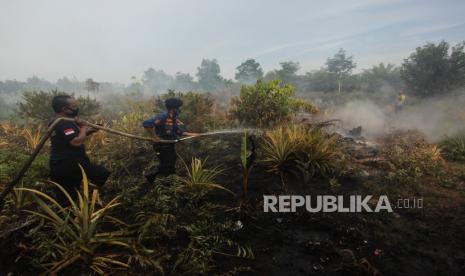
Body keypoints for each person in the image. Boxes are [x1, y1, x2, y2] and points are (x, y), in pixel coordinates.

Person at [49, 95, 110, 202]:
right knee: (101, 174)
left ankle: (83, 198)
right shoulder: (62, 123)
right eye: (74, 106)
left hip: (64, 165)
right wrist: (82, 127)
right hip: (68, 165)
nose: (76, 108)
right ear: (64, 109)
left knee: (68, 199)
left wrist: (90, 130)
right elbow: (75, 142)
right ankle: (87, 196)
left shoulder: (60, 121)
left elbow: (72, 137)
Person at [142, 98, 198, 184]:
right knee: (166, 164)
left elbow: (177, 131)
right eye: (178, 108)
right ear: (173, 109)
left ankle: (165, 179)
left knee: (171, 160)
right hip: (161, 145)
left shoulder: (173, 119)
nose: (180, 110)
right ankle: (161, 179)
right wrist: (154, 136)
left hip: (169, 145)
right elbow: (146, 124)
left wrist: (192, 134)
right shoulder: (163, 116)